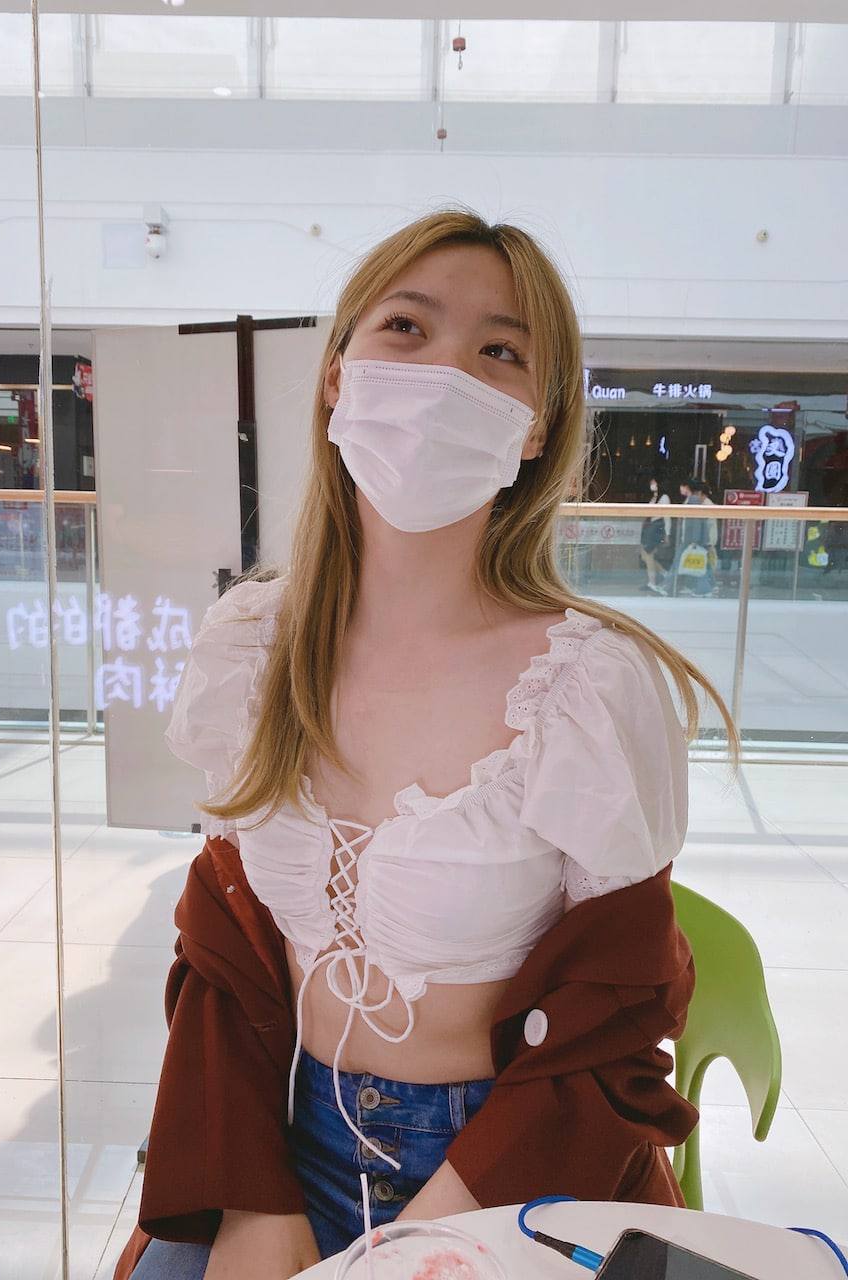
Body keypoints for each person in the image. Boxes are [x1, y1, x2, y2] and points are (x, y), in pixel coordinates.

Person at [114, 209, 740, 1280]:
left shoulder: (587, 688)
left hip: (512, 1167)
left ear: (536, 428)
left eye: (500, 350)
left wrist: (430, 1240)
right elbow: (225, 944)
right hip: (283, 1138)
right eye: (406, 327)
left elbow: (617, 1007)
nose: (445, 369)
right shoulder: (253, 646)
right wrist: (254, 1197)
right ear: (337, 376)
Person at [638, 476, 672, 596]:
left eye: (654, 482)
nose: (651, 484)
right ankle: (664, 573)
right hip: (650, 527)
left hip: (656, 528)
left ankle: (652, 582)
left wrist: (667, 533)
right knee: (645, 556)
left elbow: (667, 517)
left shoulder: (664, 497)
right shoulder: (654, 497)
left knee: (648, 555)